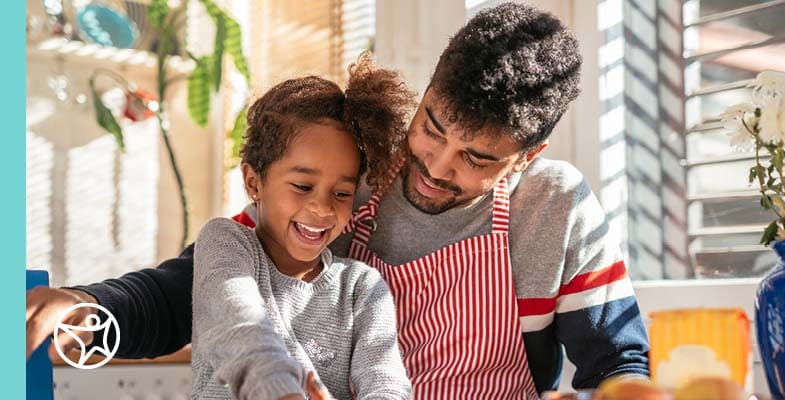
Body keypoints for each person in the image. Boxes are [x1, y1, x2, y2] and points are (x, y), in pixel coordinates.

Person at [26, 3, 649, 398]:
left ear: (526, 158)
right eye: (431, 126)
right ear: (429, 87)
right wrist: (88, 304)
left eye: (476, 158)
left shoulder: (555, 205)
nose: (434, 166)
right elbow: (197, 289)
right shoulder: (348, 179)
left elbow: (617, 361)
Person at [191, 55, 414, 400]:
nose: (322, 208)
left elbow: (387, 383)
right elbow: (241, 329)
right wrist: (282, 393)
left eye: (341, 193)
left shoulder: (362, 288)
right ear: (254, 182)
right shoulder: (225, 242)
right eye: (302, 186)